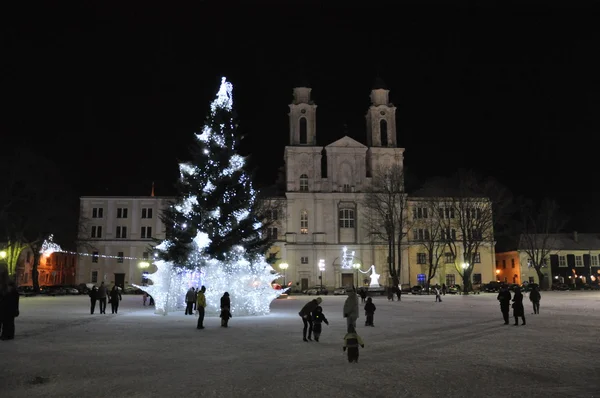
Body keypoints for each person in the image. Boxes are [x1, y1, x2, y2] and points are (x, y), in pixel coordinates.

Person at [0, 265, 19, 340]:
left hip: (7, 307)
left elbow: (15, 297)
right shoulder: (10, 285)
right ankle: (7, 335)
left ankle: (7, 335)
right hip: (6, 307)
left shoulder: (9, 285)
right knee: (8, 321)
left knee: (7, 322)